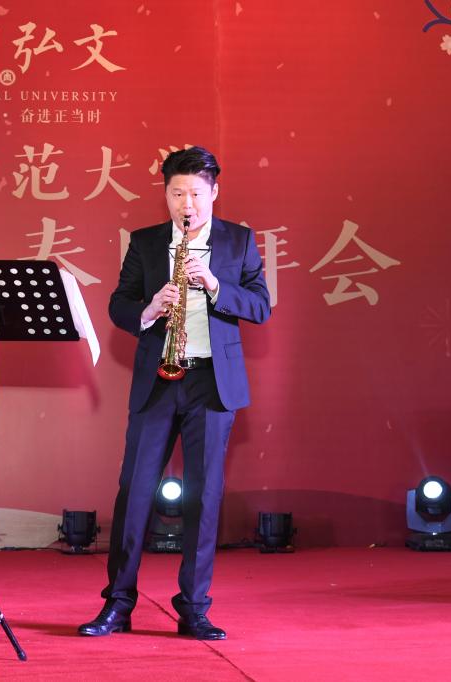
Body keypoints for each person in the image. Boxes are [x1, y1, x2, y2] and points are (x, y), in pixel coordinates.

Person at [78, 146, 270, 640]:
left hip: (212, 384)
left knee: (203, 499)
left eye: (197, 194)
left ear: (215, 193)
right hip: (158, 382)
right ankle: (118, 604)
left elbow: (260, 306)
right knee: (134, 492)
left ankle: (194, 608)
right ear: (165, 195)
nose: (188, 204)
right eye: (178, 193)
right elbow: (118, 304)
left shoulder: (238, 241)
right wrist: (148, 309)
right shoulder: (145, 242)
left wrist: (216, 286)